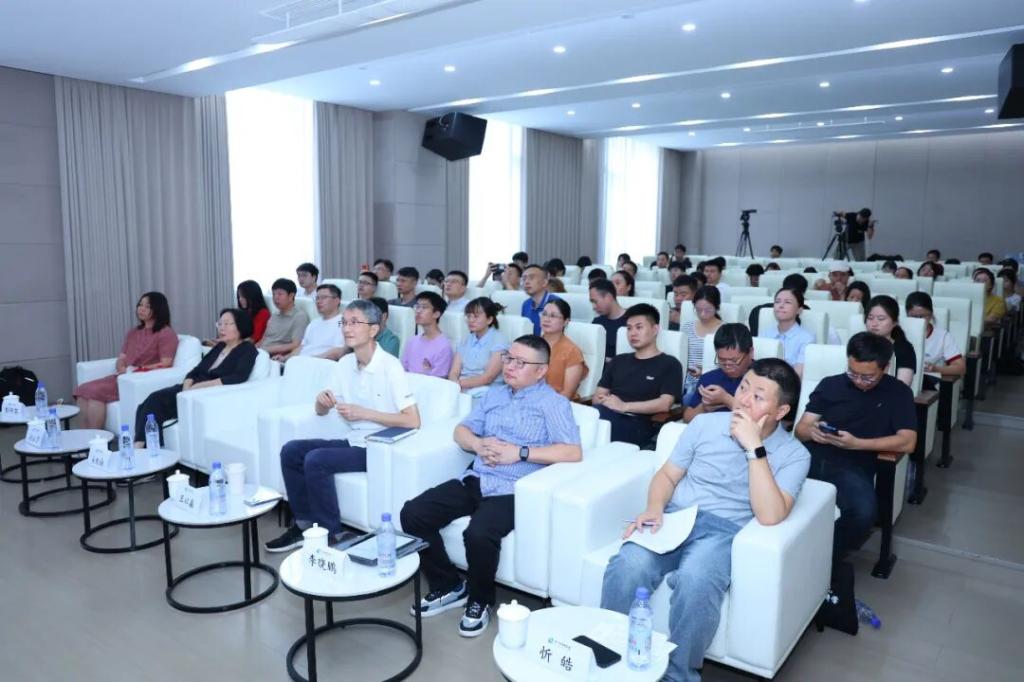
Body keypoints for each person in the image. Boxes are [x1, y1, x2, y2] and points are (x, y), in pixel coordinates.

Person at [602, 358, 809, 682]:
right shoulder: (704, 424)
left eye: (758, 396)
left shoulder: (794, 454)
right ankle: (607, 658)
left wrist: (754, 447)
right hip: (676, 517)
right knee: (627, 565)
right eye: (743, 388)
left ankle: (678, 675)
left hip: (724, 532)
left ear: (781, 411)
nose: (743, 400)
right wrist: (655, 507)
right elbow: (667, 476)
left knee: (696, 581)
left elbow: (770, 515)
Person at [401, 335, 581, 636]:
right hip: (476, 478)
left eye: (520, 363)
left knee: (478, 534)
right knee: (413, 513)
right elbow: (461, 430)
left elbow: (572, 452)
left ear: (540, 371)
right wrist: (477, 443)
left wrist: (520, 453)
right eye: (509, 358)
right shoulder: (494, 395)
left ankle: (480, 600)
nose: (509, 366)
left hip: (513, 489)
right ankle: (449, 585)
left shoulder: (554, 404)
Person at [266, 300, 421, 551]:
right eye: (344, 323)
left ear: (373, 329)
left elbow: (412, 420)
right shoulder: (345, 363)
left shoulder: (390, 366)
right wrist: (321, 402)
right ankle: (304, 525)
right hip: (354, 440)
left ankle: (333, 535)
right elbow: (321, 410)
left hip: (380, 447)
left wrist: (365, 413)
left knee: (316, 460)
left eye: (354, 322)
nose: (347, 328)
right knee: (291, 450)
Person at [796, 332, 916, 578]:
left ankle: (816, 563)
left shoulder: (898, 393)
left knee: (863, 513)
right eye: (852, 373)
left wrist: (857, 444)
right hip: (810, 457)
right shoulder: (830, 384)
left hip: (853, 465)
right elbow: (801, 429)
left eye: (868, 376)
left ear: (885, 367)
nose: (859, 381)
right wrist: (813, 432)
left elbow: (908, 441)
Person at [134, 309, 257, 447]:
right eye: (220, 323)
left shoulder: (247, 350)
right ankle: (145, 446)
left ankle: (140, 448)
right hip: (190, 389)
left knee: (154, 401)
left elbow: (238, 377)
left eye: (227, 324)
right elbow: (196, 370)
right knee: (145, 405)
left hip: (208, 394)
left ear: (240, 326)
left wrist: (198, 387)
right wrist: (187, 386)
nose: (221, 328)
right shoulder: (220, 347)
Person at [74, 292, 178, 429]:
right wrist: (121, 367)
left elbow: (166, 363)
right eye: (140, 305)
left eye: (147, 306)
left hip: (138, 379)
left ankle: (96, 438)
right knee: (82, 390)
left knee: (95, 394)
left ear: (158, 309)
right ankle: (85, 438)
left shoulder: (166, 333)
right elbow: (122, 357)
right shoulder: (133, 332)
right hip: (123, 375)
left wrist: (137, 370)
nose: (141, 309)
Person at [593, 304, 682, 447]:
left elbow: (665, 404)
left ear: (655, 329)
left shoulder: (670, 364)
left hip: (639, 424)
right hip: (606, 415)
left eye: (639, 327)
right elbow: (598, 396)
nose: (632, 333)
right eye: (629, 328)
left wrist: (624, 406)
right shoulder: (618, 360)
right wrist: (606, 402)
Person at [683, 323, 754, 423]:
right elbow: (687, 418)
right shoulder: (709, 378)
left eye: (734, 360)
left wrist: (726, 400)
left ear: (750, 352)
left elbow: (765, 422)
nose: (728, 367)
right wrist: (704, 408)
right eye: (722, 360)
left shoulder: (764, 377)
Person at [449, 298, 508, 402]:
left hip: (486, 392)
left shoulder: (499, 341)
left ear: (489, 319)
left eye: (476, 316)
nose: (471, 320)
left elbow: (488, 377)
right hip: (461, 388)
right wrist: (455, 384)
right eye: (468, 316)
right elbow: (454, 372)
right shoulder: (467, 339)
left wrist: (457, 385)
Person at [905, 292, 965, 391]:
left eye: (922, 316)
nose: (919, 321)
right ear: (907, 315)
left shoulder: (943, 336)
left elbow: (960, 367)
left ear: (931, 315)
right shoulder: (899, 333)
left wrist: (936, 369)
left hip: (928, 382)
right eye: (914, 317)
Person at [760, 287, 815, 377]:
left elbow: (797, 375)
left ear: (799, 310)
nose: (781, 305)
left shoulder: (807, 339)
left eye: (787, 302)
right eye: (777, 301)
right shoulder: (764, 335)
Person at [539, 298, 588, 399]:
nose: (546, 319)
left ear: (566, 322)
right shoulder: (532, 344)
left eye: (553, 316)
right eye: (544, 314)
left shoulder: (572, 352)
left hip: (557, 402)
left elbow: (567, 394)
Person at [865, 295, 916, 387]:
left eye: (881, 319)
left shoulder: (904, 349)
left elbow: (902, 388)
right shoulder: (860, 344)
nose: (874, 324)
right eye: (870, 318)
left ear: (895, 322)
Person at [681, 287, 723, 400]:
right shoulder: (687, 327)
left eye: (708, 310)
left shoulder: (724, 330)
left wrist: (705, 371)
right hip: (685, 380)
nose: (703, 314)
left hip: (710, 383)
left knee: (688, 398)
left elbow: (726, 363)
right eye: (698, 310)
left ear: (717, 307)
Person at [402, 291, 453, 378]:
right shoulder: (412, 341)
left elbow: (438, 381)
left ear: (436, 314)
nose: (418, 311)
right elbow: (403, 369)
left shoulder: (444, 347)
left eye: (424, 307)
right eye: (417, 306)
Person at [287, 284, 345, 360]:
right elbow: (302, 347)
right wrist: (285, 358)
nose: (319, 301)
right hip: (301, 361)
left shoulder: (344, 323)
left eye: (324, 297)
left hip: (319, 363)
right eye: (317, 298)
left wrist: (311, 360)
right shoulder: (314, 323)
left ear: (337, 301)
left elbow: (338, 351)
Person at [260, 279, 310, 361]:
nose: (275, 298)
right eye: (273, 294)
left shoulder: (299, 317)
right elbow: (264, 338)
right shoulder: (275, 315)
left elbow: (296, 344)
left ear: (291, 296)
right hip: (262, 353)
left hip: (274, 357)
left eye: (280, 294)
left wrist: (267, 350)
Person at [589, 278, 627, 363]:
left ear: (609, 297)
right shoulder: (596, 323)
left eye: (595, 301)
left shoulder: (631, 322)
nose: (594, 307)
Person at [520, 264, 558, 335]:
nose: (526, 282)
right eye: (524, 279)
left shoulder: (556, 303)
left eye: (531, 278)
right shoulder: (526, 304)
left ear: (544, 282)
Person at [235, 280, 270, 344]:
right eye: (239, 296)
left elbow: (253, 338)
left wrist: (233, 344)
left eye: (243, 296)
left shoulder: (263, 313)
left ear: (252, 296)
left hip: (256, 347)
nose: (240, 299)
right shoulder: (243, 312)